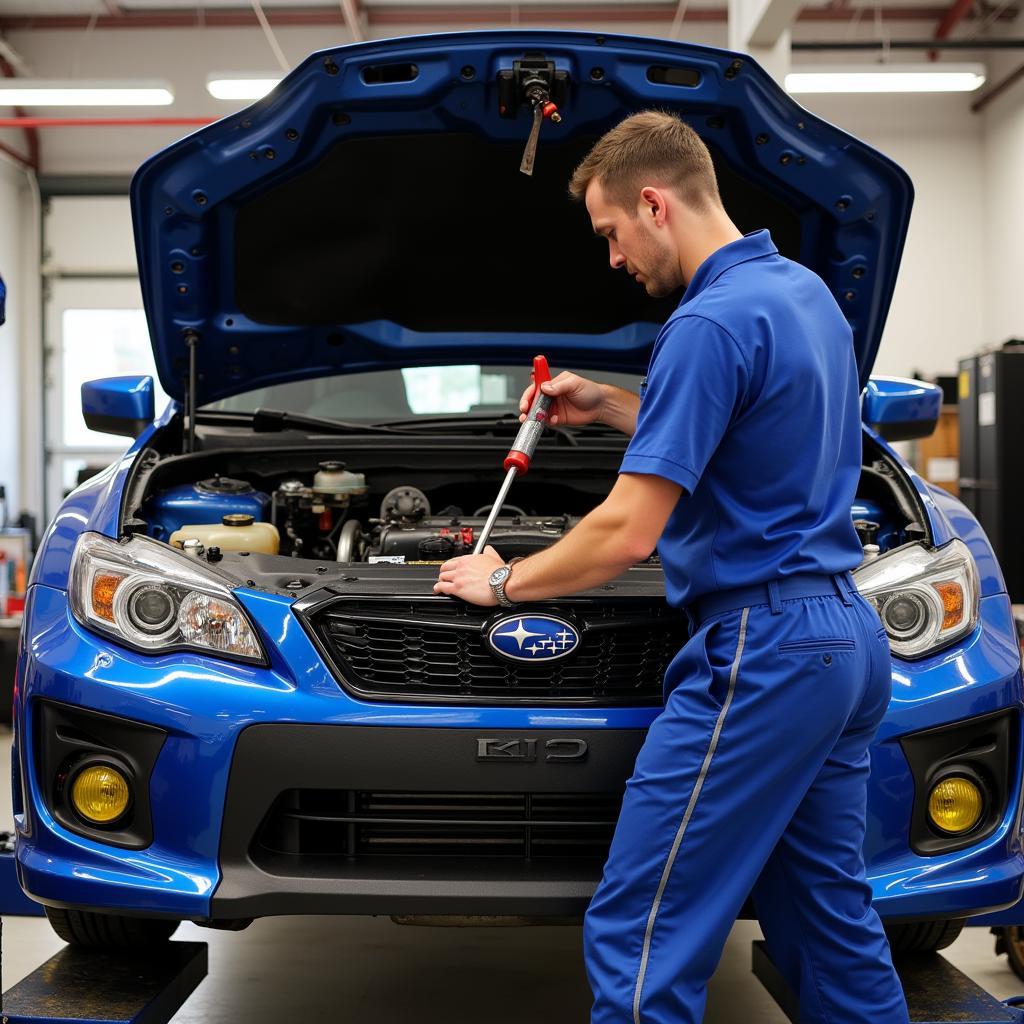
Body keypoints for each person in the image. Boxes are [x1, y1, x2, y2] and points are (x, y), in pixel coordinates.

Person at [433, 110, 909, 1024]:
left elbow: (625, 534)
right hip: (844, 644)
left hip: (759, 653)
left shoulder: (705, 323)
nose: (613, 259)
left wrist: (501, 583)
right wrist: (613, 403)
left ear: (653, 203)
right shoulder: (804, 296)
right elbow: (751, 424)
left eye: (611, 233)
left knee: (642, 928)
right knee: (830, 926)